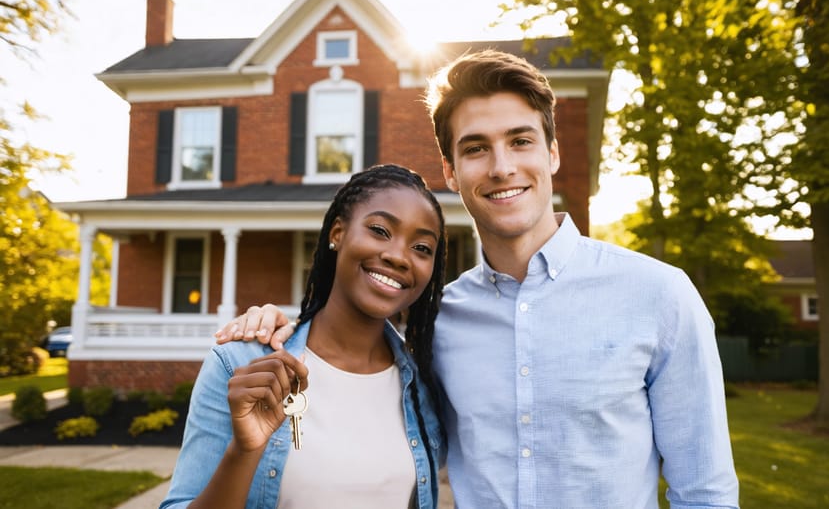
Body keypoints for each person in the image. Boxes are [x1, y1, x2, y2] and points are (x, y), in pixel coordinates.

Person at [219, 50, 740, 508]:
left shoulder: (659, 296)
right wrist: (269, 324)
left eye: (520, 141)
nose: (500, 167)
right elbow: (351, 350)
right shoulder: (436, 322)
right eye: (476, 149)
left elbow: (705, 493)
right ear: (450, 171)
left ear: (552, 153)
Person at [163, 164, 447, 509]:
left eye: (422, 248)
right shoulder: (242, 365)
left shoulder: (425, 385)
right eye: (379, 230)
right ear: (338, 233)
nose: (399, 256)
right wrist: (244, 451)